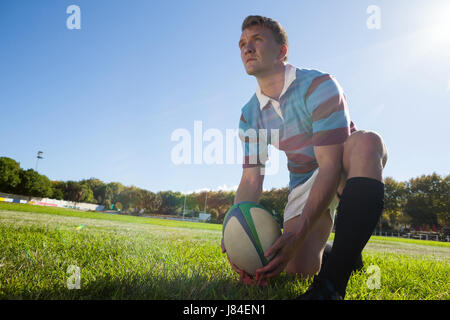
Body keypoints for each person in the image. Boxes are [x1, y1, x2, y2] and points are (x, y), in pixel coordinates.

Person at [221, 15, 388, 300]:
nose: (247, 48)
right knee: (296, 268)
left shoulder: (318, 84)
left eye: (257, 40)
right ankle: (342, 250)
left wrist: (296, 237)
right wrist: (234, 233)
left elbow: (331, 165)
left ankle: (331, 286)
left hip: (344, 162)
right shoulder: (250, 114)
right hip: (303, 180)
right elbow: (251, 179)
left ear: (282, 51)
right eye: (242, 44)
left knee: (367, 143)